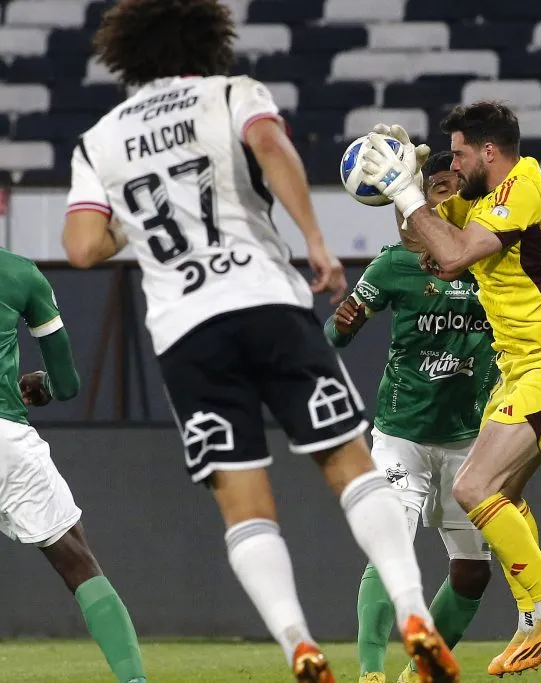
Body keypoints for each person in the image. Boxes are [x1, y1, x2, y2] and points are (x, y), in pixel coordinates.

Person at [59, 2, 458, 682]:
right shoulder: (232, 94)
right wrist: (316, 240)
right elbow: (271, 147)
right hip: (266, 300)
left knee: (241, 503)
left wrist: (136, 216)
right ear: (207, 41)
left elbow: (82, 246)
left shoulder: (99, 141)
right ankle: (415, 609)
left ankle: (297, 641)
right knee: (348, 464)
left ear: (125, 53)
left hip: (185, 334)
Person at [357, 102, 541, 674]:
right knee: (505, 498)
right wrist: (403, 179)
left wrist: (406, 192)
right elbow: (423, 242)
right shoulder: (478, 201)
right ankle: (531, 613)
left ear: (490, 153)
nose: (451, 161)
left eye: (457, 153)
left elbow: (451, 252)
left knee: (473, 488)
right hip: (521, 366)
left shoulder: (522, 189)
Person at [327, 152, 497, 683]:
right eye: (436, 187)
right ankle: (371, 671)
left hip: (471, 439)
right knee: (391, 545)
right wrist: (343, 325)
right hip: (402, 434)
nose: (444, 196)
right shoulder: (392, 265)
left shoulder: (493, 259)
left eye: (453, 187)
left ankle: (418, 672)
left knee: (473, 572)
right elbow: (334, 335)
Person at [0, 251, 148, 683]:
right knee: (78, 563)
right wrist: (41, 384)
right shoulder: (19, 273)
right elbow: (66, 384)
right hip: (6, 441)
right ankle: (134, 681)